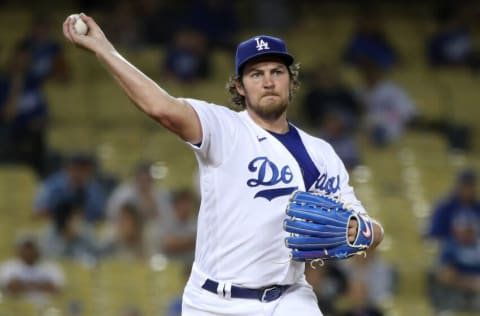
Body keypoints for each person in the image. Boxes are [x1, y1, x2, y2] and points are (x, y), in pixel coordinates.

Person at [63, 14, 384, 315]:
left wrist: (360, 231)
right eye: (256, 74)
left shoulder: (320, 153)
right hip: (214, 301)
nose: (268, 81)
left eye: (277, 72)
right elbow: (161, 107)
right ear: (240, 87)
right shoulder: (223, 128)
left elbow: (370, 228)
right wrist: (105, 50)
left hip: (287, 298)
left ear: (291, 81)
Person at [34, 153, 107, 223]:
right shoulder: (52, 186)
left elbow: (101, 215)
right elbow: (39, 212)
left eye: (84, 169)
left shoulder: (94, 189)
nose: (80, 173)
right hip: (55, 228)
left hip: (85, 229)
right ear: (68, 168)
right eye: (77, 168)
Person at [0, 234, 64, 305]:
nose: (29, 251)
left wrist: (22, 285)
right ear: (18, 249)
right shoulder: (8, 266)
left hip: (45, 307)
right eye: (26, 247)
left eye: (31, 247)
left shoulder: (52, 267)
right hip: (16, 307)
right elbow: (11, 287)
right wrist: (42, 285)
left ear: (39, 249)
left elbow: (55, 289)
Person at [426, 168, 480, 241]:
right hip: (450, 248)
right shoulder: (444, 207)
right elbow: (434, 233)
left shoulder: (477, 208)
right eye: (465, 186)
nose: (467, 190)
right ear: (457, 186)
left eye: (470, 186)